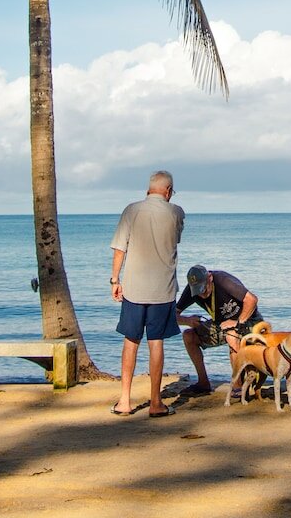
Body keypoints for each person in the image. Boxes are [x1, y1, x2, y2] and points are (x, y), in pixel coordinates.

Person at [109, 170, 184, 418]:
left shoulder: (131, 210)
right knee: (156, 342)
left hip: (134, 287)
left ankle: (124, 401)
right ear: (168, 191)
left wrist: (115, 280)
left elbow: (120, 248)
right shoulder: (176, 212)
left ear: (148, 189)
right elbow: (175, 239)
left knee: (131, 341)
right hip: (162, 289)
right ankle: (156, 402)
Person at [176, 265, 263, 394]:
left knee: (231, 335)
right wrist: (187, 321)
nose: (202, 294)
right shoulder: (192, 290)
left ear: (210, 278)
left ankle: (238, 386)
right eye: (198, 291)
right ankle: (203, 383)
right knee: (189, 336)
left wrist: (237, 322)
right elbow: (172, 315)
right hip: (221, 325)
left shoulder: (223, 280)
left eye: (203, 289)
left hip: (249, 322)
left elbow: (252, 300)